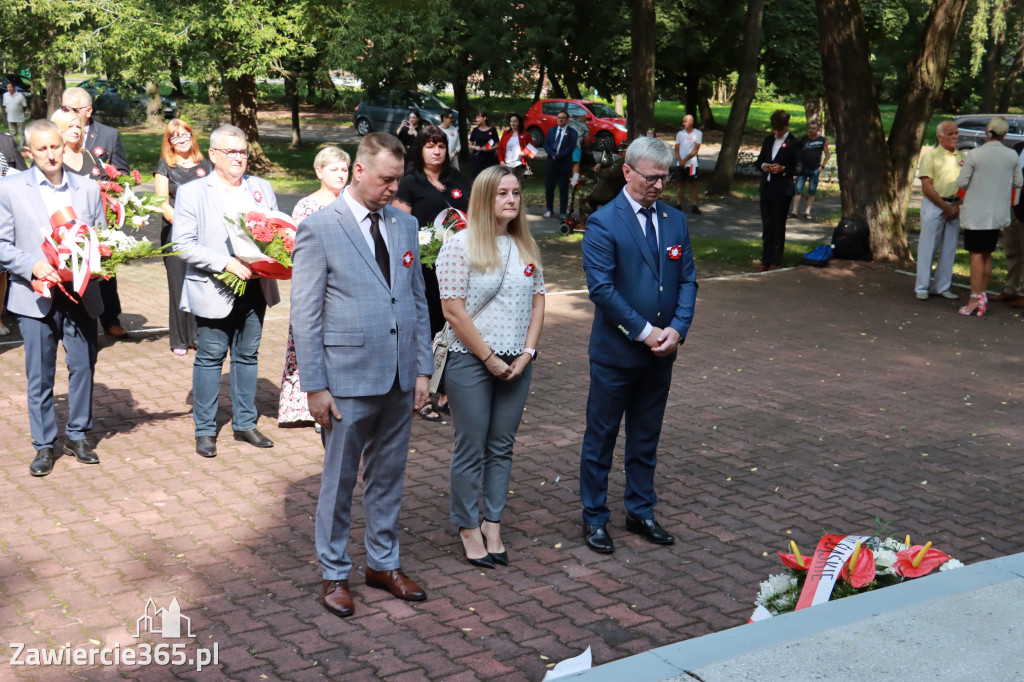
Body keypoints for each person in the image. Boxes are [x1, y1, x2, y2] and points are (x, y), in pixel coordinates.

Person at [290, 132, 433, 618]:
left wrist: (422, 368)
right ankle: (333, 572)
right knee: (339, 481)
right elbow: (305, 313)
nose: (393, 188)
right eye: (386, 180)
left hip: (398, 376)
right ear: (358, 170)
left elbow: (415, 299)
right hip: (345, 377)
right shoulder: (320, 228)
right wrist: (315, 385)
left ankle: (382, 563)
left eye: (398, 179)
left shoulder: (404, 225)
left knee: (388, 476)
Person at [578, 136, 697, 554]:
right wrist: (647, 332)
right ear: (627, 172)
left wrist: (678, 329)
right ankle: (594, 517)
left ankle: (640, 510)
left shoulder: (675, 220)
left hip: (662, 352)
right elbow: (603, 290)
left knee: (646, 438)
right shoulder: (603, 223)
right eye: (652, 177)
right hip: (617, 354)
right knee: (602, 438)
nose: (660, 185)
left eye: (666, 177)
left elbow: (687, 280)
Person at [436, 166, 545, 568]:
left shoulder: (527, 247)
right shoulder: (459, 246)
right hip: (471, 362)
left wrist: (527, 353)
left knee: (502, 446)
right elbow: (453, 310)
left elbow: (538, 302)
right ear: (484, 198)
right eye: (502, 193)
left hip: (518, 362)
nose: (511, 200)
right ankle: (467, 526)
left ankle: (492, 521)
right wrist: (489, 358)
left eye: (516, 193)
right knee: (471, 445)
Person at [0, 119, 107, 476]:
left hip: (79, 294)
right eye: (41, 148)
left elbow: (100, 237)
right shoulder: (10, 188)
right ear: (29, 152)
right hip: (35, 296)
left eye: (55, 146)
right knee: (40, 375)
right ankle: (44, 445)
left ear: (65, 147)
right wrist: (32, 265)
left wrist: (99, 260)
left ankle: (77, 435)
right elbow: (2, 243)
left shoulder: (88, 188)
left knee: (82, 368)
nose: (50, 154)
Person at [172, 124, 280, 457]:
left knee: (247, 356)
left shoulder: (261, 187)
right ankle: (205, 430)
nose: (238, 157)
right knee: (210, 357)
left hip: (256, 286)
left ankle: (245, 424)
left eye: (243, 151)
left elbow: (275, 234)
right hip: (214, 286)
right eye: (231, 151)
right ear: (215, 155)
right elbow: (182, 245)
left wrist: (278, 257)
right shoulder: (193, 191)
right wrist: (225, 262)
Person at [393, 125, 472, 421]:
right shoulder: (410, 183)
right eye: (430, 146)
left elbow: (475, 220)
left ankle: (449, 393)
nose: (436, 150)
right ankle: (423, 396)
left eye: (440, 145)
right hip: (422, 270)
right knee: (426, 330)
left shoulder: (461, 181)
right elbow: (401, 228)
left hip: (459, 270)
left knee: (456, 329)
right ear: (420, 150)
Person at [278, 146, 350, 427]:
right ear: (319, 172)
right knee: (312, 341)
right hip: (318, 286)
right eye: (334, 169)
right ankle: (309, 405)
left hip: (345, 286)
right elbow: (301, 253)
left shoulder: (350, 202)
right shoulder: (307, 206)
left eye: (344, 169)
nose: (340, 175)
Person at [62, 86, 129, 338]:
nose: (67, 113)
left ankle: (110, 319)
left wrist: (108, 186)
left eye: (73, 109)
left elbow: (121, 171)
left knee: (105, 266)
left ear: (88, 111)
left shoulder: (109, 135)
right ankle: (70, 321)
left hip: (99, 213)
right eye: (64, 108)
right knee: (68, 265)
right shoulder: (57, 131)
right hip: (66, 214)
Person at [154, 119, 213, 356]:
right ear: (169, 142)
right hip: (175, 235)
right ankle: (179, 339)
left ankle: (200, 336)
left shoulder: (207, 165)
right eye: (175, 137)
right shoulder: (164, 166)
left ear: (192, 136)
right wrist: (184, 225)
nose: (181, 140)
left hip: (205, 235)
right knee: (178, 286)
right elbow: (161, 203)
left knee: (202, 284)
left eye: (185, 135)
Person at [955, 116, 1024, 316]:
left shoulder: (975, 154)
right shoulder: (1012, 155)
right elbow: (1018, 182)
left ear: (987, 131)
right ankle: (981, 294)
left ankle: (974, 298)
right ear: (1004, 133)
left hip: (977, 212)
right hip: (997, 213)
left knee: (976, 255)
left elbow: (961, 183)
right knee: (986, 254)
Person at [914, 121, 964, 302]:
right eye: (950, 134)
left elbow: (966, 184)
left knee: (949, 248)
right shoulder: (931, 156)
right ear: (939, 137)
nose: (955, 137)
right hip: (935, 204)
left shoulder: (961, 156)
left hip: (955, 205)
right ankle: (922, 286)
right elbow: (927, 187)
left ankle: (942, 286)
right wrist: (945, 207)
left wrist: (956, 206)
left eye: (956, 133)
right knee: (929, 247)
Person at [756, 109, 801, 272]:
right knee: (767, 225)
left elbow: (798, 167)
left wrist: (783, 169)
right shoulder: (768, 140)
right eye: (775, 129)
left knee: (778, 225)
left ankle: (776, 259)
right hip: (767, 188)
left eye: (779, 129)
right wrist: (764, 166)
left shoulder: (793, 143)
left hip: (782, 190)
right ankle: (765, 259)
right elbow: (759, 161)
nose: (777, 132)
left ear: (786, 126)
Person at [993, 143, 1024, 307]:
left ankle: (1022, 294)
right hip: (1011, 207)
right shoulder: (1018, 148)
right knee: (1012, 251)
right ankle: (1010, 288)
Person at [790, 119, 830, 220]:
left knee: (812, 191)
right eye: (810, 128)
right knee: (798, 189)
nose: (811, 130)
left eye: (814, 128)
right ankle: (794, 211)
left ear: (818, 129)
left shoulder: (822, 140)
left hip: (815, 169)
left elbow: (827, 155)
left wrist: (822, 167)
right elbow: (796, 152)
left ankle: (807, 211)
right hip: (802, 169)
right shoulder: (803, 139)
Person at [543, 111, 578, 219]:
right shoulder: (551, 130)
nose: (560, 119)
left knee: (563, 188)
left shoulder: (572, 132)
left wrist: (558, 156)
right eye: (559, 117)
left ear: (567, 120)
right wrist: (552, 154)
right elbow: (546, 144)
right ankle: (549, 209)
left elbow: (570, 148)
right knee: (549, 187)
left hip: (564, 163)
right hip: (551, 163)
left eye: (563, 118)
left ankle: (563, 211)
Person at [51, 109, 101, 178]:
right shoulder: (49, 158)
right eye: (70, 126)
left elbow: (105, 181)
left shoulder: (89, 155)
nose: (76, 131)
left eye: (78, 127)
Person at [673, 115, 702, 214]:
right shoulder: (680, 134)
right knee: (680, 184)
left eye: (685, 121)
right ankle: (678, 204)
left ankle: (694, 205)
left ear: (691, 122)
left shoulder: (698, 133)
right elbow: (676, 148)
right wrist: (679, 160)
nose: (683, 123)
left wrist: (685, 159)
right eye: (683, 121)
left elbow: (695, 150)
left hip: (692, 164)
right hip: (680, 164)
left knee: (693, 184)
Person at [498, 113, 531, 185]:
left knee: (518, 186)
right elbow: (500, 149)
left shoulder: (525, 134)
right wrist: (501, 161)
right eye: (511, 121)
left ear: (519, 122)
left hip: (519, 164)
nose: (512, 123)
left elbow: (533, 148)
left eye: (515, 121)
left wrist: (525, 153)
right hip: (507, 165)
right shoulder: (506, 133)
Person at [468, 111, 499, 179]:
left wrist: (490, 149)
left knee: (489, 178)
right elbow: (469, 145)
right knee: (477, 178)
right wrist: (476, 147)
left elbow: (497, 145)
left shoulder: (492, 130)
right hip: (477, 158)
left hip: (490, 159)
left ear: (484, 118)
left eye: (478, 117)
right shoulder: (475, 130)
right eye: (476, 118)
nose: (476, 119)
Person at [3, 82, 28, 146]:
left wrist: (21, 111)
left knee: (21, 132)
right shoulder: (5, 95)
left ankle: (22, 146)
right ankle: (14, 146)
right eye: (8, 87)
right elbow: (5, 106)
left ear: (14, 87)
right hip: (10, 118)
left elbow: (25, 106)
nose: (9, 89)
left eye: (10, 87)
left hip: (19, 118)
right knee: (13, 133)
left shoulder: (20, 96)